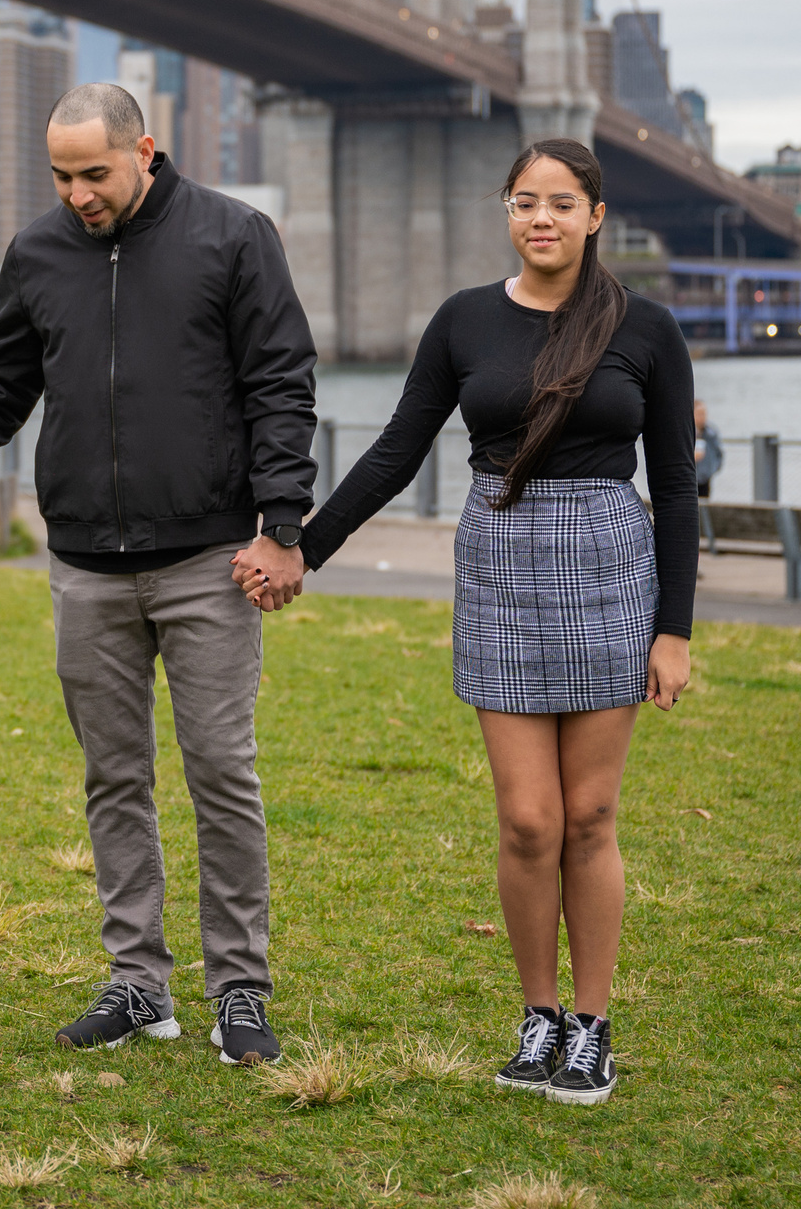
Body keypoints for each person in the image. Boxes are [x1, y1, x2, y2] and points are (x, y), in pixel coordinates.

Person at [0, 83, 316, 1067]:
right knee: (114, 780)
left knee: (220, 775)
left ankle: (238, 989)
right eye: (61, 177)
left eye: (94, 174)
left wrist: (282, 526)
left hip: (207, 557)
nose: (77, 195)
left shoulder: (234, 238)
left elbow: (281, 384)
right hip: (84, 568)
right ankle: (138, 984)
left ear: (143, 150)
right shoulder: (40, 253)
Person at [265, 138, 694, 1107]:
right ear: (506, 213)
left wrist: (675, 629)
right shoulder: (462, 321)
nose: (539, 218)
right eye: (521, 202)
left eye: (558, 203)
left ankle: (590, 1027)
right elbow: (392, 453)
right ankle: (535, 1015)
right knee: (525, 820)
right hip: (500, 560)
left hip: (610, 564)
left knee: (589, 815)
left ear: (594, 216)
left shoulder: (646, 329)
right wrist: (303, 547)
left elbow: (673, 482)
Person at [693, 398, 724, 501]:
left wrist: (711, 471)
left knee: (705, 505)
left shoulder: (711, 433)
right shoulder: (686, 433)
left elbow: (719, 455)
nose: (703, 417)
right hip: (689, 479)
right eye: (699, 413)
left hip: (705, 478)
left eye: (704, 413)